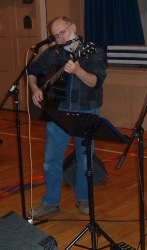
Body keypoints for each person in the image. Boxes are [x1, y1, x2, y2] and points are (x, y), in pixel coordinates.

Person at [27, 16, 107, 218]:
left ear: (73, 28)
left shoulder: (93, 51)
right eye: (55, 35)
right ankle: (51, 202)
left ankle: (83, 198)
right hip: (57, 112)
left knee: (85, 159)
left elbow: (95, 82)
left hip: (86, 110)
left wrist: (79, 70)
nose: (60, 38)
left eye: (62, 33)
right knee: (51, 160)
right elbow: (32, 70)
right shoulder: (53, 53)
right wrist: (35, 88)